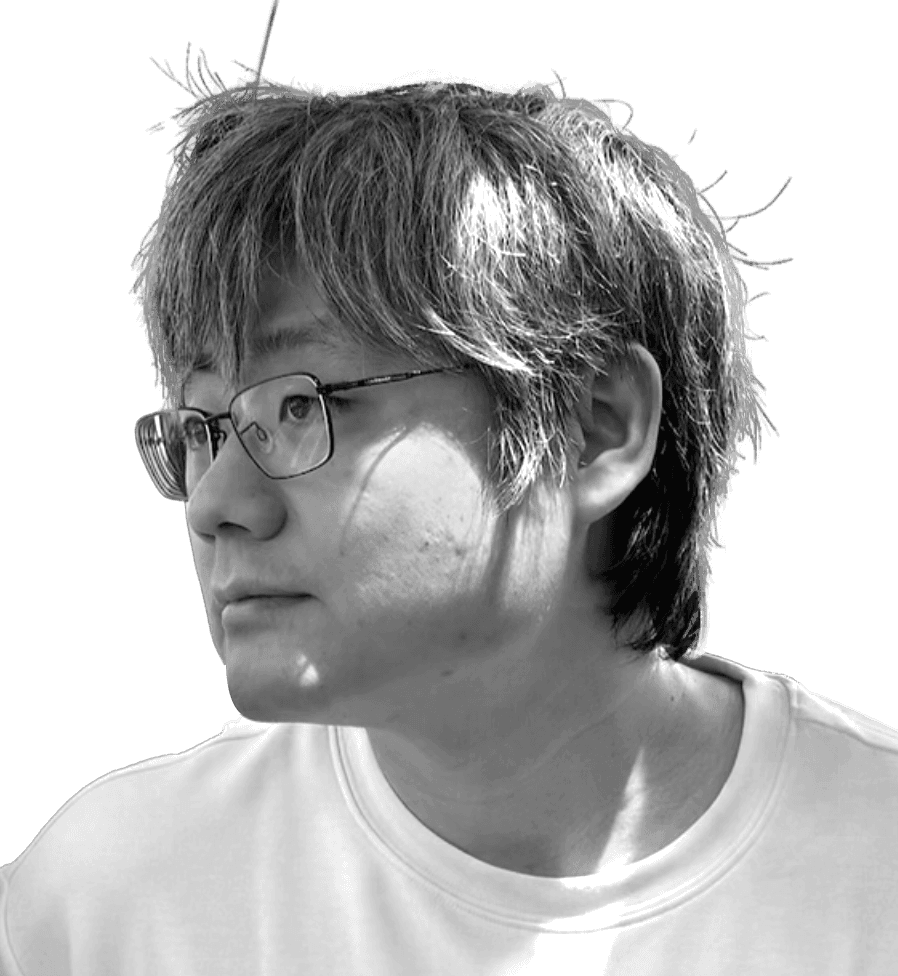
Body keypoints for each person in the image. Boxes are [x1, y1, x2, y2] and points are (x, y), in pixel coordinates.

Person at [2, 49, 896, 976]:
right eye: (202, 427)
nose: (217, 504)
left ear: (596, 428)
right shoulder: (105, 906)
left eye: (301, 405)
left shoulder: (873, 875)